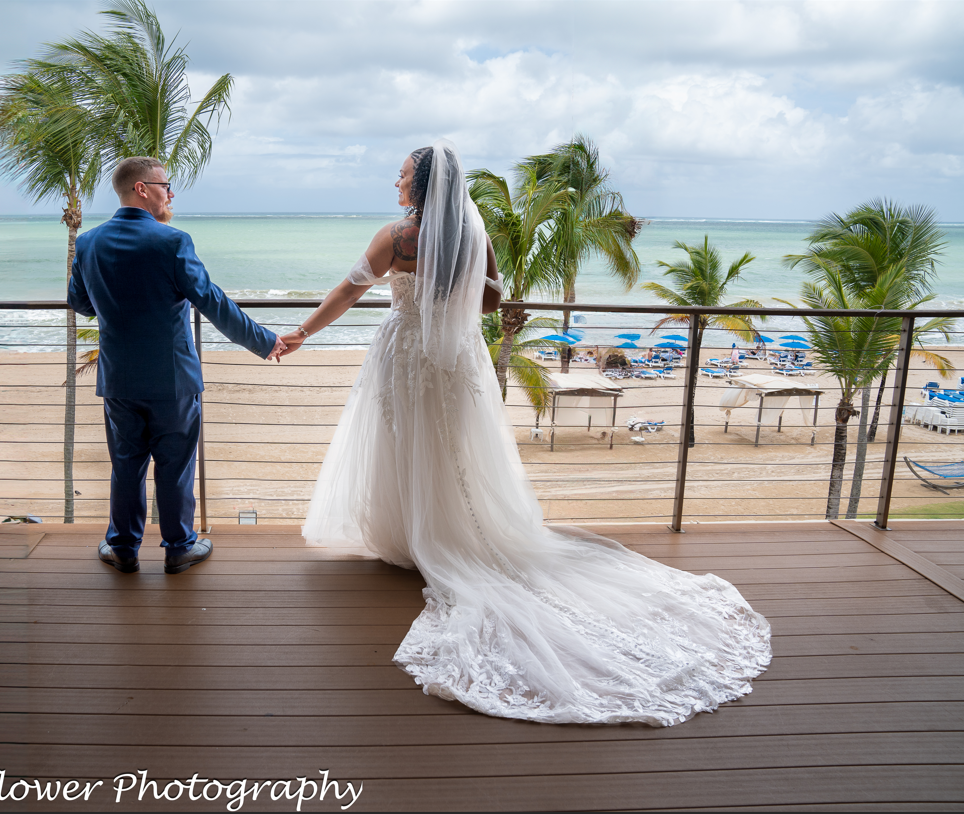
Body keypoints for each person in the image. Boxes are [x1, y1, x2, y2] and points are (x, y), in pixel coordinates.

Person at [280, 140, 771, 725]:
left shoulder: (396, 237)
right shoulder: (471, 237)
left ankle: (418, 538)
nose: (397, 183)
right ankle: (448, 530)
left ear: (424, 184)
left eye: (404, 175)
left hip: (405, 351)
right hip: (457, 358)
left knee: (404, 438)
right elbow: (492, 302)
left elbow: (349, 288)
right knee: (452, 445)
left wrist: (302, 332)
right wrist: (449, 296)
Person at [68, 156, 286, 575]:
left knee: (126, 466)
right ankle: (178, 548)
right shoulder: (172, 242)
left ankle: (124, 549)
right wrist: (266, 342)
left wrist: (119, 303)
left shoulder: (89, 242)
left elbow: (79, 303)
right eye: (166, 186)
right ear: (142, 189)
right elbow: (213, 302)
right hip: (172, 380)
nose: (171, 194)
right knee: (175, 467)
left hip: (119, 379)